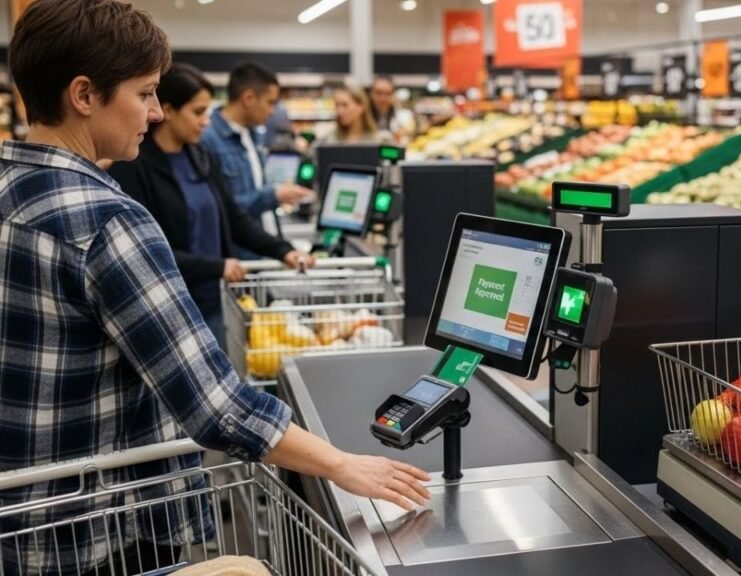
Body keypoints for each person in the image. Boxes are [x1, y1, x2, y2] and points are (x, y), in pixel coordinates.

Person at [0, 2, 428, 575]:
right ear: (84, 94)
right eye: (145, 92)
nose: (155, 112)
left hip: (24, 521)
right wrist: (341, 464)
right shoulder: (107, 220)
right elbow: (215, 406)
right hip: (100, 533)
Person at [108, 63, 311, 347]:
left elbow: (234, 218)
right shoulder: (134, 167)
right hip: (171, 306)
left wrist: (283, 250)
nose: (206, 120)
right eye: (198, 112)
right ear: (168, 110)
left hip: (216, 300)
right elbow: (147, 251)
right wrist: (216, 266)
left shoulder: (200, 157)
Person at [200, 62, 314, 257]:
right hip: (241, 259)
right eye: (270, 102)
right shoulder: (208, 140)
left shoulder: (253, 135)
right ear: (249, 98)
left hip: (266, 252)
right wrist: (273, 196)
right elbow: (221, 211)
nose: (272, 111)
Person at [316, 84, 381, 144]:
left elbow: (389, 155)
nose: (339, 111)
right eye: (337, 105)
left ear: (361, 107)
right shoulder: (328, 140)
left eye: (345, 105)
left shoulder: (377, 140)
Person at [368, 75, 415, 143]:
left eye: (387, 93)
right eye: (379, 93)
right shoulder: (361, 118)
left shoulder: (404, 118)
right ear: (371, 93)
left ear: (393, 94)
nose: (383, 98)